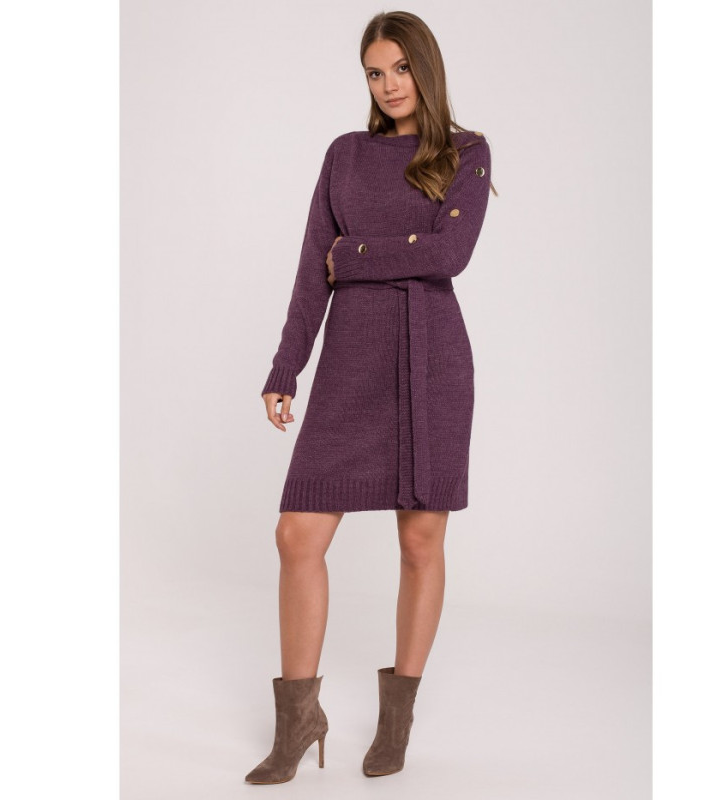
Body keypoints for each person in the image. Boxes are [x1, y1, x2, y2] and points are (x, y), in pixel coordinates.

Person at [246, 10, 496, 784]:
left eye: (400, 69)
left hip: (431, 366)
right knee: (297, 536)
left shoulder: (466, 152)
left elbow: (449, 253)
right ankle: (298, 722)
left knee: (419, 544)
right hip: (350, 366)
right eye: (374, 73)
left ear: (426, 68)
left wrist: (350, 254)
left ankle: (396, 722)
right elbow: (309, 269)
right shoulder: (345, 156)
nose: (388, 85)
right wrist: (285, 367)